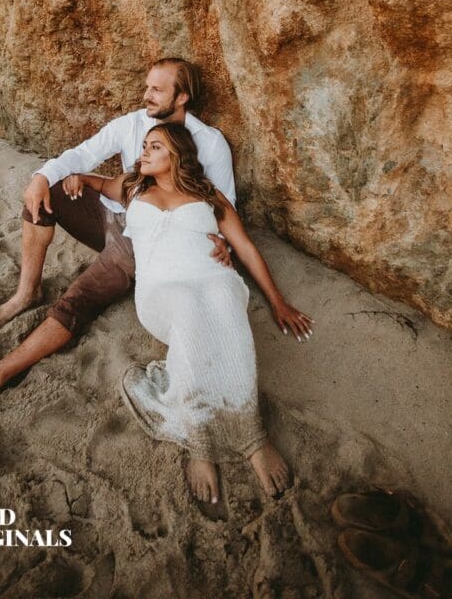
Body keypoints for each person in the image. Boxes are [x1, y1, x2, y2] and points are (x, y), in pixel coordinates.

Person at [0, 59, 236, 416]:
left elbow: (223, 209)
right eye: (146, 86)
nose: (146, 95)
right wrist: (41, 178)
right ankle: (26, 292)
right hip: (112, 213)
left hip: (143, 244)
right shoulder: (133, 123)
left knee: (76, 300)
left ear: (182, 96)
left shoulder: (210, 143)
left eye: (157, 89)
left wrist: (221, 246)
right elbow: (84, 154)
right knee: (49, 194)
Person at [61, 123, 313, 506]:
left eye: (155, 146)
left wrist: (278, 301)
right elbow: (97, 183)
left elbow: (242, 246)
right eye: (144, 145)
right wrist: (79, 178)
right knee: (190, 306)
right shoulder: (133, 187)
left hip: (211, 276)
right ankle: (200, 441)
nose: (143, 152)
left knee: (228, 299)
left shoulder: (207, 194)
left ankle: (253, 437)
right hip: (162, 290)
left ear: (177, 154)